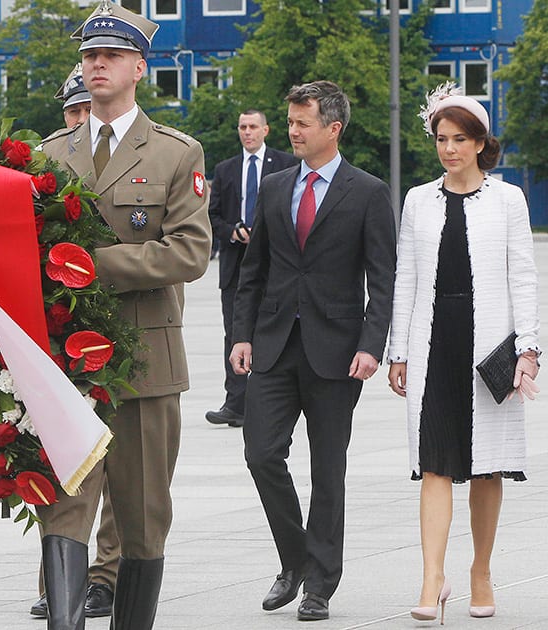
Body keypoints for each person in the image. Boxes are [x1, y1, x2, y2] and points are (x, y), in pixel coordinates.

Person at [39, 3, 211, 628]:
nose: (97, 64)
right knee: (63, 509)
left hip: (144, 361)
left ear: (139, 67)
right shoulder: (50, 154)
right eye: (88, 55)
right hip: (66, 364)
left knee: (142, 517)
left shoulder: (174, 152)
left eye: (109, 55)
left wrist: (91, 264)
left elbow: (191, 252)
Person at [230, 81, 396, 621]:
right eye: (291, 122)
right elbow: (253, 272)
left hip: (337, 354)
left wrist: (373, 345)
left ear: (333, 128)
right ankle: (296, 558)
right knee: (260, 455)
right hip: (275, 347)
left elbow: (383, 278)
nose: (293, 132)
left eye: (303, 123)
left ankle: (320, 583)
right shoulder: (275, 188)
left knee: (328, 471)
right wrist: (242, 334)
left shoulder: (368, 192)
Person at [387, 85, 541, 623]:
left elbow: (523, 276)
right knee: (434, 462)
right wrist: (397, 351)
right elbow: (405, 277)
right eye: (440, 139)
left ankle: (480, 570)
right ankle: (432, 578)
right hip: (434, 342)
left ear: (479, 143)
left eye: (459, 139)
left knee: (485, 469)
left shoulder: (509, 200)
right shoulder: (416, 200)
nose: (448, 149)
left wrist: (529, 347)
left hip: (490, 347)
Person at [29, 62, 118, 622]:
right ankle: (54, 576)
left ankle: (105, 574)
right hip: (57, 331)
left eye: (89, 107)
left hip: (119, 322)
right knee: (61, 459)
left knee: (115, 464)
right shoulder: (44, 159)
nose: (82, 117)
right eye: (74, 109)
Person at [205, 110, 297, 428]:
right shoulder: (225, 169)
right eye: (242, 127)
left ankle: (272, 401)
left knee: (274, 331)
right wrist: (232, 230)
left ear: (266, 130)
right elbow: (213, 215)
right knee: (235, 331)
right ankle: (236, 403)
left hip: (276, 264)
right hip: (235, 263)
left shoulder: (287, 165)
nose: (247, 132)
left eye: (253, 127)